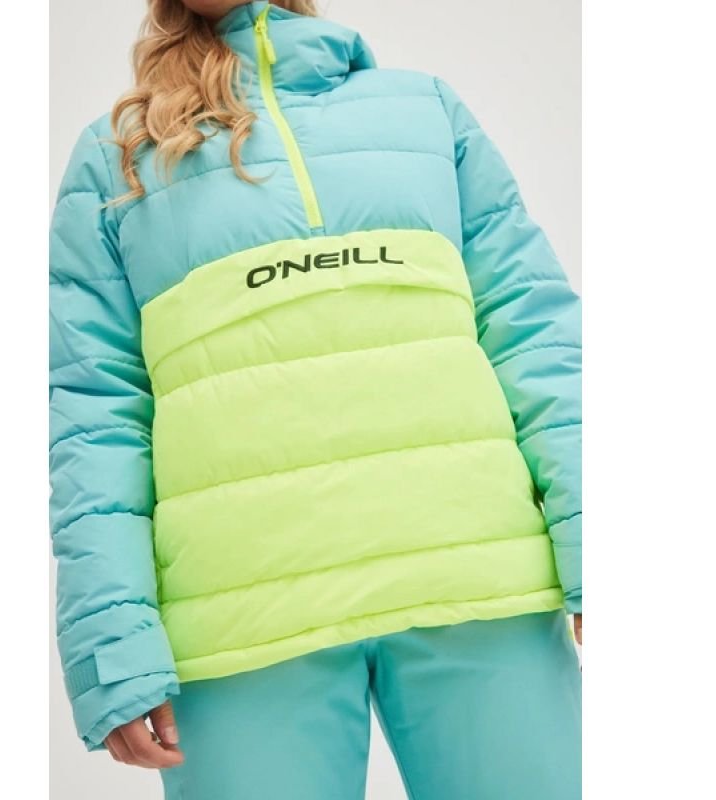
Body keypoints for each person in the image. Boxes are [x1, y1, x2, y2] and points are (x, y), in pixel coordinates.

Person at [49, 1, 582, 797]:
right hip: (241, 628)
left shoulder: (426, 111)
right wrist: (110, 643)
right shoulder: (118, 159)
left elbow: (535, 335)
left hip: (482, 591)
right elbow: (95, 417)